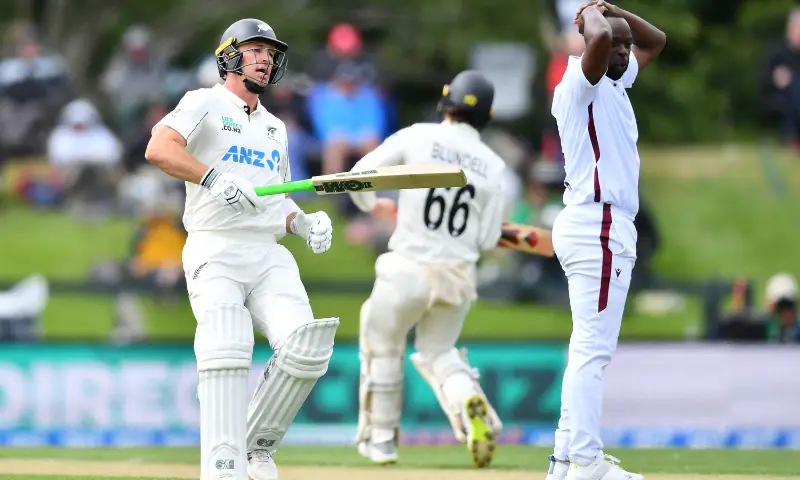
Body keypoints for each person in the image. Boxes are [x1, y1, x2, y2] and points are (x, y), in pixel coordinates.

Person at [144, 18, 339, 480]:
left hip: (268, 253)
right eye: (256, 50)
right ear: (230, 56)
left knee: (306, 348)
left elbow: (275, 197)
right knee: (228, 343)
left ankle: (254, 445)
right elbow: (158, 148)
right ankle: (223, 467)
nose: (266, 59)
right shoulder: (204, 102)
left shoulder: (275, 127)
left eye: (271, 53)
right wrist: (212, 177)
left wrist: (302, 222)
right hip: (216, 245)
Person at [346, 71, 507, 468]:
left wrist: (374, 206)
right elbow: (488, 242)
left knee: (382, 342)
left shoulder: (417, 135)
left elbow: (357, 178)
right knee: (438, 352)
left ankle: (381, 439)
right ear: (486, 115)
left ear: (446, 103)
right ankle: (468, 400)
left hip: (408, 269)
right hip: (457, 276)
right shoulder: (494, 166)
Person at [545, 2, 666, 479]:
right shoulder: (581, 80)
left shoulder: (615, 82)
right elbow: (596, 42)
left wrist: (615, 12)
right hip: (597, 223)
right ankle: (587, 463)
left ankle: (563, 462)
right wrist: (590, 19)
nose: (622, 51)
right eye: (614, 44)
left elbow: (656, 41)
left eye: (625, 46)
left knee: (585, 349)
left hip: (602, 224)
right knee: (593, 351)